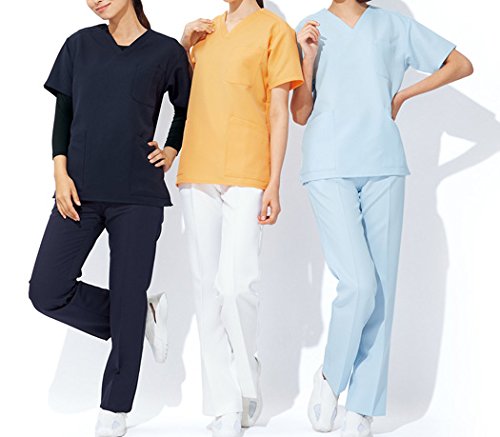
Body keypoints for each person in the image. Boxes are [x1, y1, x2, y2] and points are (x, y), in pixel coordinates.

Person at [291, 1, 473, 436]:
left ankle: (363, 409)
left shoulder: (394, 26)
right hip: (328, 163)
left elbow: (460, 64)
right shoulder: (310, 27)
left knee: (382, 291)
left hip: (384, 164)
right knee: (358, 283)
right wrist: (309, 58)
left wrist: (404, 94)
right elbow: (299, 113)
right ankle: (330, 378)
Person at [28, 1, 191, 436]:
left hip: (138, 196)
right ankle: (137, 316)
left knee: (127, 294)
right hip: (79, 190)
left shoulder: (166, 52)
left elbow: (188, 107)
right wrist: (59, 172)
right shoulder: (79, 45)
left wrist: (171, 148)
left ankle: (115, 409)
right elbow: (64, 113)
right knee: (46, 290)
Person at [176, 0, 303, 436]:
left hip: (249, 171)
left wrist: (274, 183)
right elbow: (186, 95)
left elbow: (279, 111)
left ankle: (247, 376)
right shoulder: (204, 33)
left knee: (237, 286)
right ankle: (225, 406)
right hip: (198, 168)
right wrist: (183, 47)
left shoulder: (274, 31)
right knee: (205, 290)